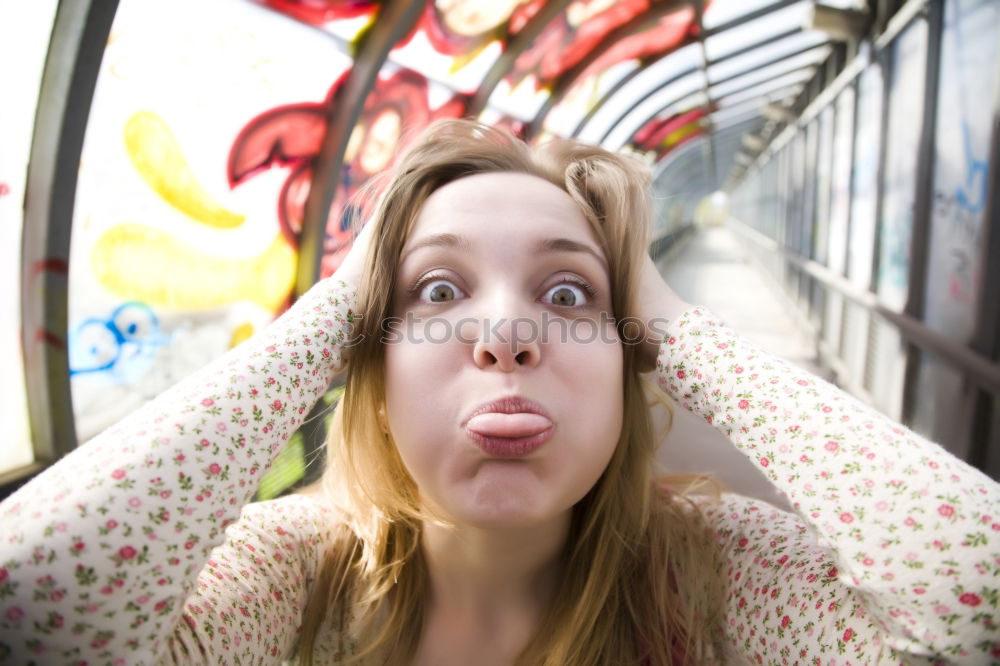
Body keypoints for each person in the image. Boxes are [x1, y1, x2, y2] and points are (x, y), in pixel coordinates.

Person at [0, 119, 997, 665]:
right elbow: (41, 606)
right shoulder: (294, 581)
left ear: (631, 359)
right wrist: (332, 308)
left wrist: (675, 324)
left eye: (572, 296)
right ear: (368, 363)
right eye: (436, 292)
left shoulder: (718, 579)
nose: (506, 334)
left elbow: (976, 598)